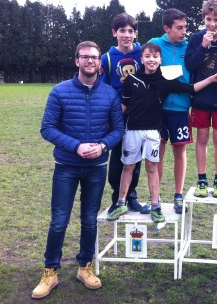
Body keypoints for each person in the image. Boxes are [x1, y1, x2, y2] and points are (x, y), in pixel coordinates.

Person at [33, 41, 124, 299]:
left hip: (96, 168)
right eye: (85, 57)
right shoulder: (60, 91)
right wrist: (76, 146)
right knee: (59, 220)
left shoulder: (109, 94)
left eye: (94, 57)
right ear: (77, 61)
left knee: (89, 220)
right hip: (66, 167)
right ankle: (50, 271)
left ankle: (85, 267)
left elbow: (118, 130)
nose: (90, 61)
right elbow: (47, 128)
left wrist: (103, 146)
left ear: (99, 62)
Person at [106, 43, 217, 222]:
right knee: (128, 167)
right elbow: (123, 105)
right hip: (132, 132)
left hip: (153, 132)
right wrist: (112, 125)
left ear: (161, 60)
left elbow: (190, 88)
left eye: (155, 56)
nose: (151, 59)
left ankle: (155, 206)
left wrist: (211, 79)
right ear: (142, 59)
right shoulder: (131, 80)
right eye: (147, 56)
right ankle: (121, 203)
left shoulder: (165, 80)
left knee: (152, 167)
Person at [185, 0, 217, 198]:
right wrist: (203, 47)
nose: (212, 24)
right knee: (202, 138)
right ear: (203, 19)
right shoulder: (196, 39)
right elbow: (191, 65)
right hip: (200, 99)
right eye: (208, 19)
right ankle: (201, 179)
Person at [100, 13, 143, 218]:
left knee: (135, 158)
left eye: (130, 31)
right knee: (117, 157)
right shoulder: (106, 59)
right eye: (122, 31)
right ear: (114, 33)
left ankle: (132, 196)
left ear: (135, 33)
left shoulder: (143, 53)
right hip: (117, 115)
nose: (127, 35)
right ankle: (117, 197)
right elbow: (103, 88)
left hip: (140, 114)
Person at [148, 9, 190, 214]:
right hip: (158, 109)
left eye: (185, 27)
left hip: (181, 107)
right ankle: (155, 197)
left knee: (180, 151)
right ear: (166, 28)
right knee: (158, 154)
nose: (184, 32)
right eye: (179, 28)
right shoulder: (155, 43)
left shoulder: (190, 47)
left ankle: (178, 195)